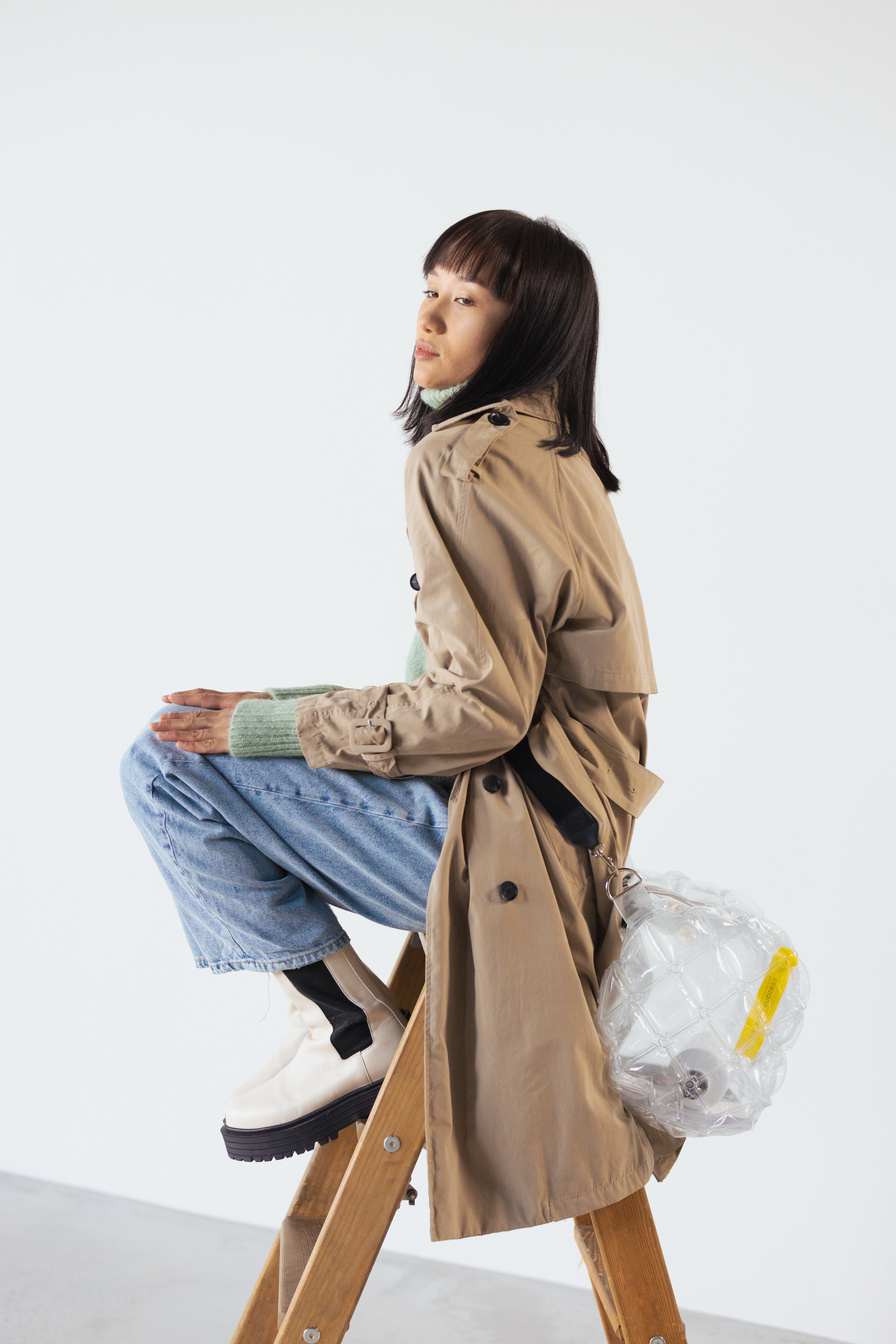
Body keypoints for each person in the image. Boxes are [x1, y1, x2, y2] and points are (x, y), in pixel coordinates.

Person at [120, 209, 680, 1240]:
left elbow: (479, 710)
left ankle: (342, 1023)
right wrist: (273, 713)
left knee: (163, 767)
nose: (427, 314)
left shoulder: (464, 460)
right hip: (564, 836)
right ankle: (334, 1018)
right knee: (209, 741)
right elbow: (470, 692)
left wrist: (264, 733)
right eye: (427, 287)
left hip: (507, 848)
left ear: (527, 327)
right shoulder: (553, 456)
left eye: (465, 299)